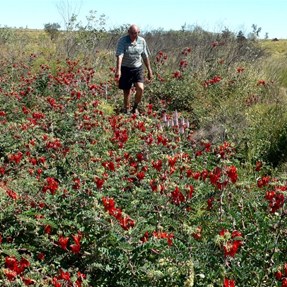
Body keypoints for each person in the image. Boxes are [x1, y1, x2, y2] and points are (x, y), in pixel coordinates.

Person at [115, 24, 153, 114]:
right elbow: (120, 55)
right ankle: (126, 109)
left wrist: (149, 70)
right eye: (131, 33)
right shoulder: (122, 41)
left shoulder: (142, 41)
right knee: (127, 91)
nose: (133, 35)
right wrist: (118, 70)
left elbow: (145, 56)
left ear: (138, 33)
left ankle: (135, 107)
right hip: (125, 68)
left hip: (137, 68)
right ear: (128, 32)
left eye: (135, 33)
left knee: (140, 88)